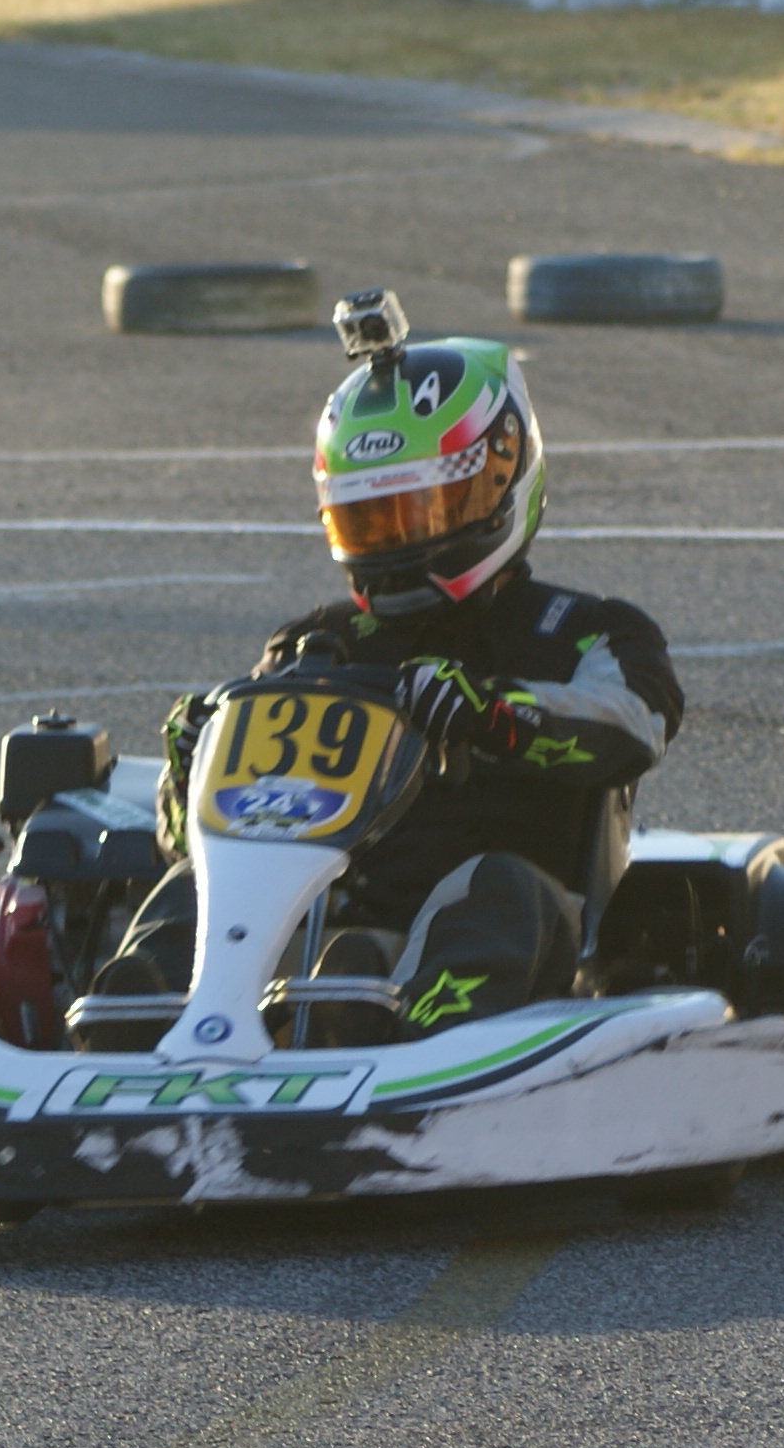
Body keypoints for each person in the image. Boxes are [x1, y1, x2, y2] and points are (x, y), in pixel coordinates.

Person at [102, 288, 683, 1036]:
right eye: (371, 519)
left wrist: (492, 715)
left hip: (492, 930)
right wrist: (193, 772)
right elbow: (202, 837)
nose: (400, 541)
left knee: (497, 887)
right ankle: (137, 1013)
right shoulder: (314, 643)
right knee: (194, 885)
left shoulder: (583, 631)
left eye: (423, 511)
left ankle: (397, 1024)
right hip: (310, 928)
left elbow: (635, 724)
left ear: (502, 479)